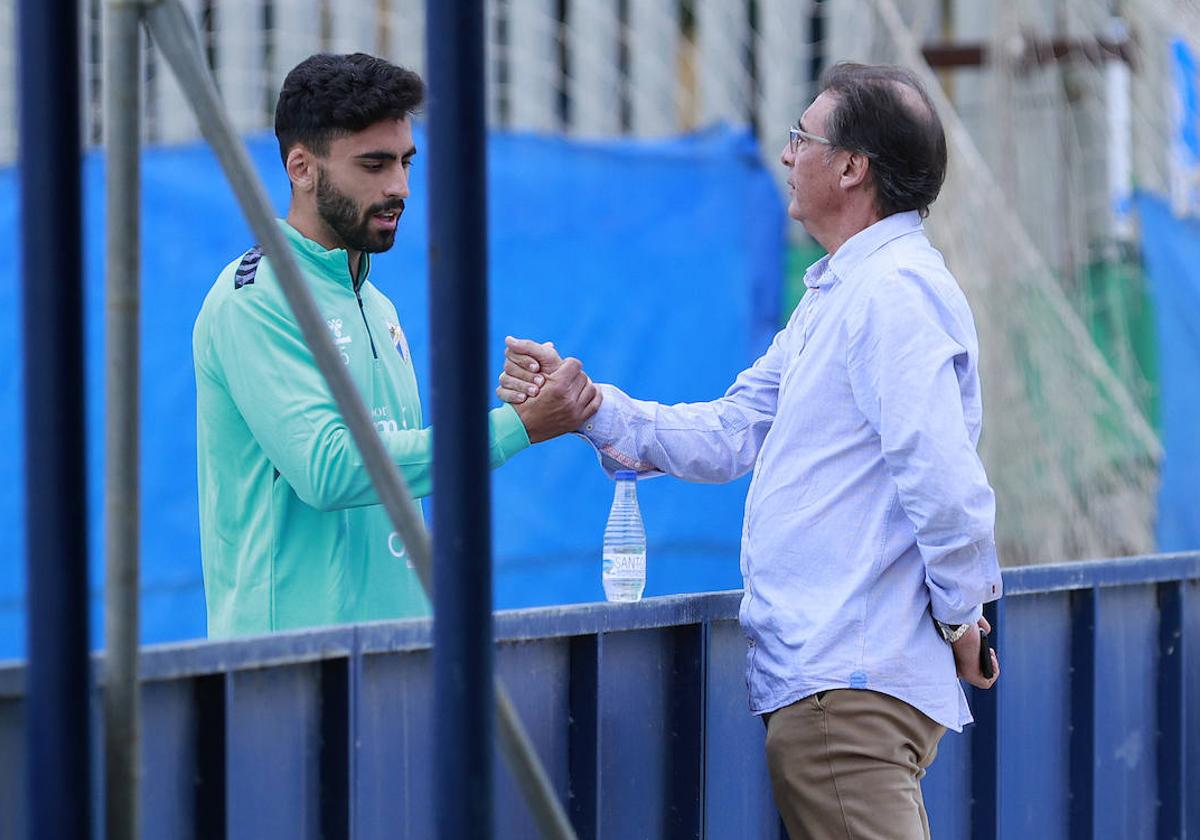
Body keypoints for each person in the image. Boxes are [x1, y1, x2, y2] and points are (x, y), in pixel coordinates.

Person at [498, 63, 1001, 840]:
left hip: (847, 683)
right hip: (836, 683)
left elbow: (944, 484)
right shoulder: (844, 291)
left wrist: (961, 615)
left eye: (801, 137)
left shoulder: (892, 292)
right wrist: (587, 405)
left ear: (851, 166)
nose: (786, 154)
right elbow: (733, 430)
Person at [193, 53, 599, 638]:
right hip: (285, 677)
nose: (400, 187)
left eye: (406, 162)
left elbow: (402, 473)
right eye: (374, 164)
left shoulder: (377, 306)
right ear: (301, 168)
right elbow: (330, 471)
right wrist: (516, 426)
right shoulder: (256, 299)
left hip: (398, 661)